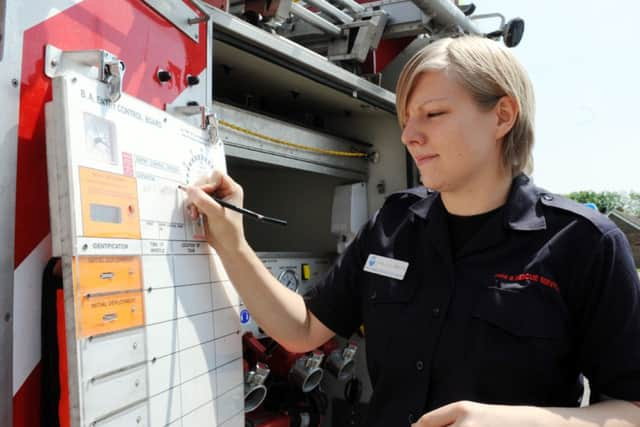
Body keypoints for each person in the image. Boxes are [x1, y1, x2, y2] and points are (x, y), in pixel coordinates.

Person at [182, 36, 640, 426]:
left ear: (502, 116)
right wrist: (231, 239)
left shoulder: (585, 244)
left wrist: (517, 420)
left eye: (433, 114)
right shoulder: (394, 224)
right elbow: (302, 330)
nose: (408, 136)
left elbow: (631, 408)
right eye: (406, 119)